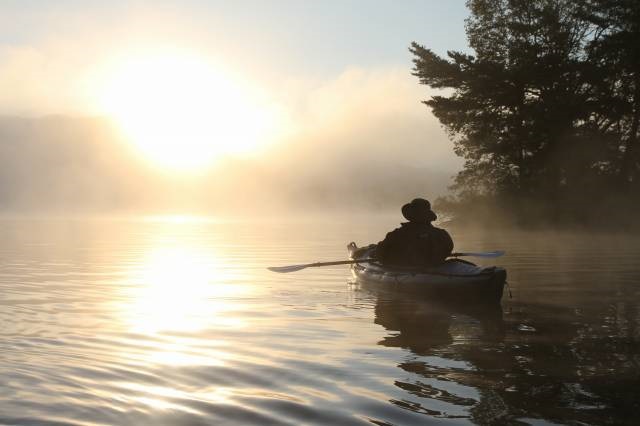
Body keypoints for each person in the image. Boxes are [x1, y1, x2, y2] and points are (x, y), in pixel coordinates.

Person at [376, 198, 453, 267]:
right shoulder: (442, 234)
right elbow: (448, 249)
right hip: (432, 267)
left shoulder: (398, 234)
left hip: (406, 270)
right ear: (428, 217)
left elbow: (381, 252)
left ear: (411, 216)